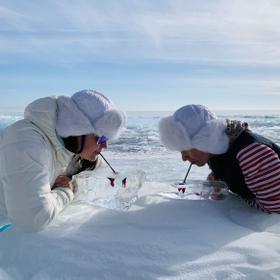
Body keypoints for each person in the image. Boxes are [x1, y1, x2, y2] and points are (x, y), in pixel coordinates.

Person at [0, 89, 126, 231]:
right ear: (77, 130)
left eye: (107, 138)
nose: (105, 145)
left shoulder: (73, 149)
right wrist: (65, 191)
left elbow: (105, 174)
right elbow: (31, 219)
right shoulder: (25, 141)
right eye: (101, 138)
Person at [159, 104, 280, 214]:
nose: (184, 158)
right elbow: (233, 166)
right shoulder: (216, 151)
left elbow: (275, 207)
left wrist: (240, 199)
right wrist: (219, 178)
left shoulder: (252, 154)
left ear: (205, 139)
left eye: (185, 150)